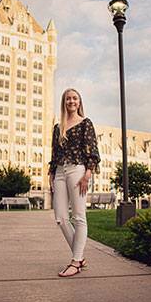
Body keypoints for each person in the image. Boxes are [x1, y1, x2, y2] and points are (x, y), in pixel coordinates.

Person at [49, 88, 100, 277]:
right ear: (64, 102)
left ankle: (76, 261)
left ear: (79, 102)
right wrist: (51, 173)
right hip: (60, 172)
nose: (71, 101)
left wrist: (87, 175)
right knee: (61, 218)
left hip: (78, 170)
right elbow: (55, 152)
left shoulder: (86, 123)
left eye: (75, 98)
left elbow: (92, 149)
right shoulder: (58, 127)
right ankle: (79, 256)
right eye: (68, 98)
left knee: (79, 217)